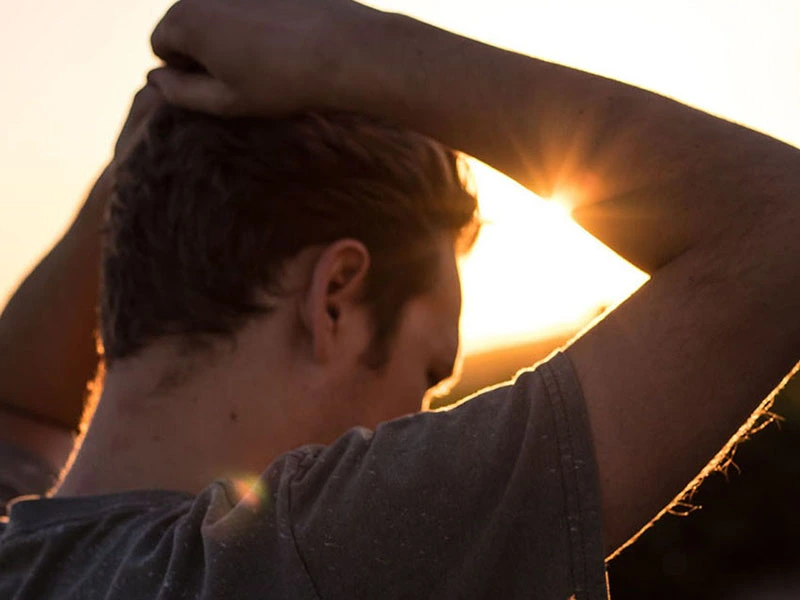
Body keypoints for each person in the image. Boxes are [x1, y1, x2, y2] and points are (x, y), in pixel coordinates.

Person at [1, 0, 798, 598]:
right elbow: (782, 226)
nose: (419, 421)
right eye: (427, 373)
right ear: (336, 298)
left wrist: (147, 159)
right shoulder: (303, 561)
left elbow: (19, 402)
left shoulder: (20, 537)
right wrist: (340, 46)